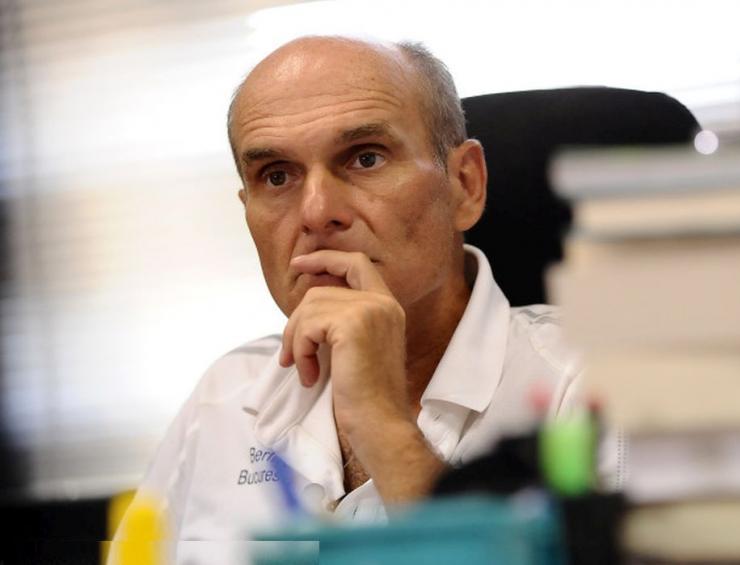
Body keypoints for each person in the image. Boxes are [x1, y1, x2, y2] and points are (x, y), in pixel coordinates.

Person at [113, 36, 618, 551]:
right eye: (277, 175)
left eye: (365, 158)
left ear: (465, 184)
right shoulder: (224, 396)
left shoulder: (597, 381)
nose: (316, 212)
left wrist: (385, 425)